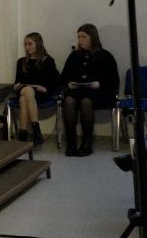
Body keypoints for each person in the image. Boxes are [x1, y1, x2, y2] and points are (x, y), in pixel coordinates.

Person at [60, 23, 120, 157]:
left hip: (99, 92)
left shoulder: (105, 55)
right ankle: (71, 143)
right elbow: (63, 77)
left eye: (84, 37)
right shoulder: (74, 55)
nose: (80, 40)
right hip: (77, 90)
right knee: (68, 100)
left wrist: (99, 84)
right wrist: (69, 84)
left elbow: (113, 80)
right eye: (79, 37)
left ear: (92, 37)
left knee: (86, 101)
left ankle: (87, 143)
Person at [12, 32, 59, 143]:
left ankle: (23, 133)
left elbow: (53, 81)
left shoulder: (47, 60)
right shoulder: (21, 62)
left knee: (23, 99)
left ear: (38, 44)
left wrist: (45, 88)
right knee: (27, 90)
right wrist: (16, 86)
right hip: (24, 90)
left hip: (39, 93)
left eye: (30, 44)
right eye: (25, 44)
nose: (27, 47)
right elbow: (17, 81)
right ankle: (36, 130)